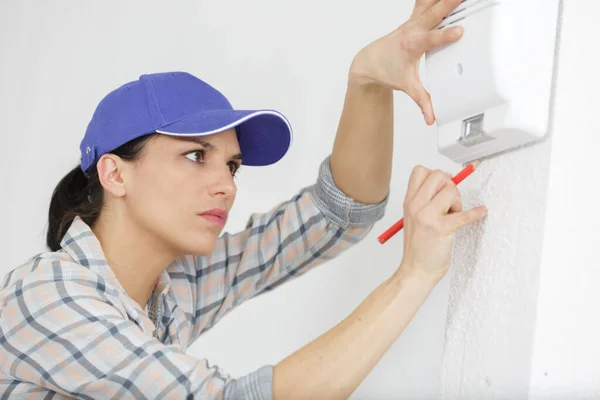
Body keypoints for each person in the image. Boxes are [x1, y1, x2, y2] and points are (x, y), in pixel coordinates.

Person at [0, 0, 487, 398]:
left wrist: (368, 82)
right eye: (195, 156)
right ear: (114, 173)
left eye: (231, 166)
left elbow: (339, 214)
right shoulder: (48, 296)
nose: (227, 185)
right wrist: (414, 275)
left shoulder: (173, 287)